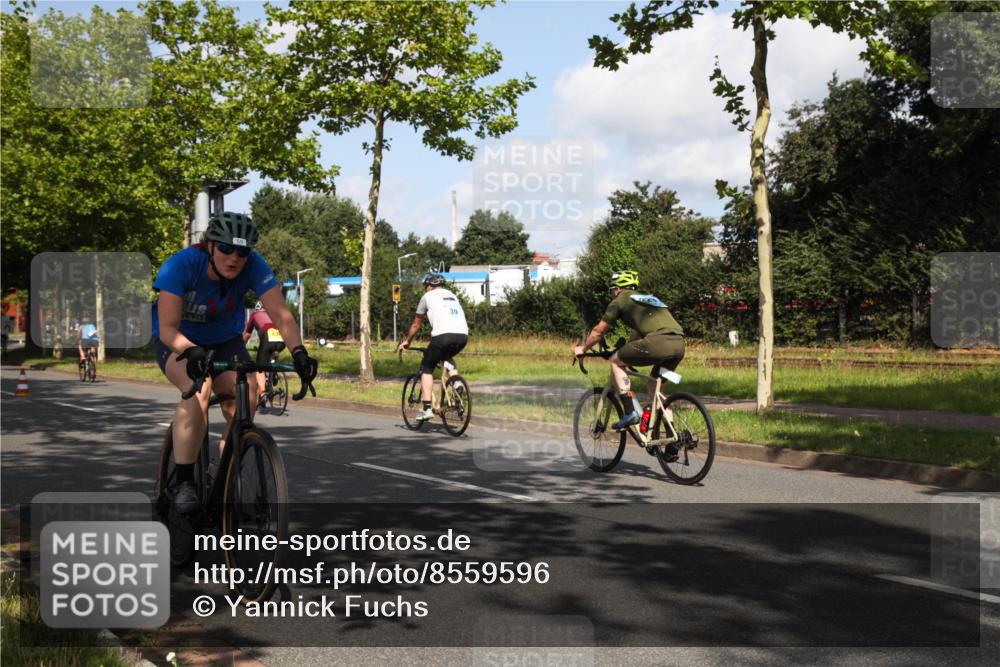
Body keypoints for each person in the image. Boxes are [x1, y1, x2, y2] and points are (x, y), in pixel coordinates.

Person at [152, 211, 318, 513]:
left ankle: (225, 471)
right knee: (197, 388)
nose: (235, 257)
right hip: (179, 340)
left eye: (243, 251)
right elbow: (167, 329)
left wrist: (299, 353)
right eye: (226, 248)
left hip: (225, 340)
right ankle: (185, 483)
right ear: (210, 246)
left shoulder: (254, 266)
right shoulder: (180, 265)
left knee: (249, 392)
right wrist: (191, 351)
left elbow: (281, 315)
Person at [572, 271, 685, 430]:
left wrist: (582, 348)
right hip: (679, 344)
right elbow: (639, 331)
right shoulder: (649, 298)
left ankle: (630, 412)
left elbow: (599, 331)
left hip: (656, 343)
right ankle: (673, 440)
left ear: (618, 288)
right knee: (654, 388)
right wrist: (626, 350)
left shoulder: (620, 300)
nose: (612, 294)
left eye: (612, 290)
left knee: (615, 362)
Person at [397, 273, 468, 422]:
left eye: (427, 286)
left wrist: (407, 342)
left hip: (442, 336)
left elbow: (416, 324)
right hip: (462, 336)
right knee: (447, 357)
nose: (427, 288)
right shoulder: (453, 295)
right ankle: (456, 381)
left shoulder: (427, 296)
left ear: (430, 285)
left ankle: (427, 408)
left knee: (427, 368)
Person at [243, 301, 285, 403]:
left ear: (257, 309)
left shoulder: (254, 315)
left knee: (259, 368)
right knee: (271, 354)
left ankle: (262, 393)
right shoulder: (273, 314)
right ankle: (274, 372)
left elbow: (247, 334)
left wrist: (241, 346)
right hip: (282, 341)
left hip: (267, 339)